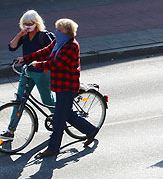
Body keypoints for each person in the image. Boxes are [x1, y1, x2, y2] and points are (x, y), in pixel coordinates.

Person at [18, 19, 100, 158]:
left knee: (59, 119)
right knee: (66, 113)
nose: (56, 32)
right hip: (59, 84)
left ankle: (53, 148)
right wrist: (26, 58)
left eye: (59, 30)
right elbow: (45, 51)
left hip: (67, 85)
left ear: (67, 31)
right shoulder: (59, 42)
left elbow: (56, 64)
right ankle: (90, 130)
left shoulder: (72, 46)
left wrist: (38, 65)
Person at [1, 11, 54, 143]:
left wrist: (47, 69)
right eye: (25, 24)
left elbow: (53, 53)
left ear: (37, 23)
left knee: (47, 99)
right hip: (27, 71)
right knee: (19, 100)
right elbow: (11, 47)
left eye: (30, 24)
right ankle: (10, 131)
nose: (28, 26)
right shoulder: (24, 36)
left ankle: (61, 119)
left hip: (42, 73)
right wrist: (19, 34)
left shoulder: (44, 36)